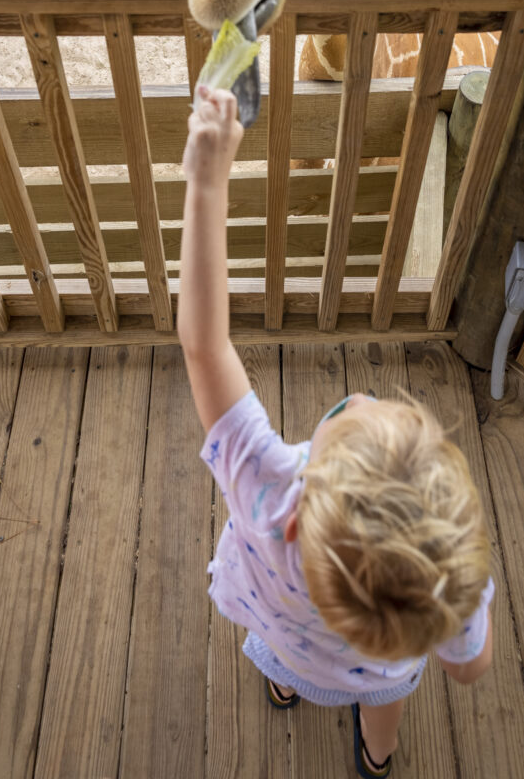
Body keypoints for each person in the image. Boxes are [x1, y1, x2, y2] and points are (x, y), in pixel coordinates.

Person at [178, 86, 495, 778]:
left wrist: (206, 183)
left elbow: (203, 345)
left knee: (285, 658)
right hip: (375, 677)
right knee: (386, 702)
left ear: (296, 519)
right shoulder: (446, 587)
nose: (360, 394)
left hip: (284, 638)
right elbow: (470, 668)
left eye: (346, 416)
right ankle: (376, 759)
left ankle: (284, 686)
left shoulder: (267, 492)